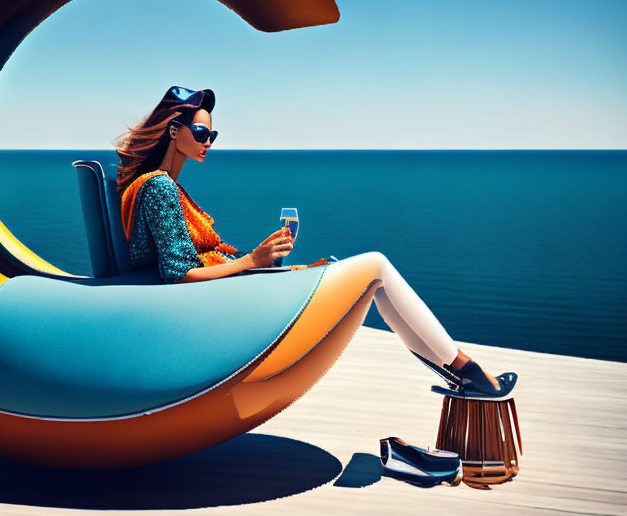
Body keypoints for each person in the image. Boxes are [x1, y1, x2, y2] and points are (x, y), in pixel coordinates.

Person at [115, 85, 517, 399]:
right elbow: (177, 276)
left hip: (228, 295)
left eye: (212, 134)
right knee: (374, 267)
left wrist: (260, 260)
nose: (208, 141)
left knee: (364, 275)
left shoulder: (162, 188)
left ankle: (459, 370)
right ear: (173, 130)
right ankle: (464, 370)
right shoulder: (160, 189)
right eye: (201, 131)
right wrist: (250, 262)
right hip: (216, 309)